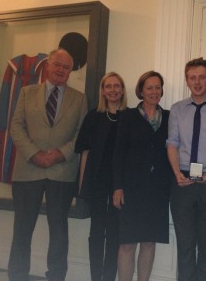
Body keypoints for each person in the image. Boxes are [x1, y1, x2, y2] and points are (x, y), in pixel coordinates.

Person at [8, 48, 88, 281]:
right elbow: (16, 127)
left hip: (62, 172)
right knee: (22, 229)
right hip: (28, 170)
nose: (62, 70)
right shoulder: (26, 92)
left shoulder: (80, 98)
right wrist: (35, 154)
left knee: (59, 231)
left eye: (66, 67)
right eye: (58, 65)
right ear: (47, 66)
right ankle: (17, 275)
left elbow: (81, 135)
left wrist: (59, 155)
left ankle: (56, 276)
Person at [167, 57, 206, 280]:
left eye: (202, 77)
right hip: (182, 181)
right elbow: (172, 143)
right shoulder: (177, 109)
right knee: (185, 246)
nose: (197, 82)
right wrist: (176, 172)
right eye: (192, 78)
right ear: (186, 80)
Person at [113, 71, 172, 281]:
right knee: (127, 243)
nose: (154, 92)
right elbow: (118, 153)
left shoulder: (169, 118)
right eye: (150, 87)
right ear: (141, 90)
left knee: (149, 241)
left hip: (157, 190)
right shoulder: (128, 116)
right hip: (131, 189)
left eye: (158, 87)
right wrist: (118, 187)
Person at [75, 72, 127, 281]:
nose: (113, 90)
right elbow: (84, 152)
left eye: (117, 86)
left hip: (119, 184)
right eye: (108, 86)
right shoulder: (93, 116)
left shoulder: (130, 117)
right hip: (96, 181)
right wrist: (81, 185)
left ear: (122, 90)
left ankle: (109, 277)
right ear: (103, 91)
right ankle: (96, 277)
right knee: (96, 232)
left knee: (115, 233)